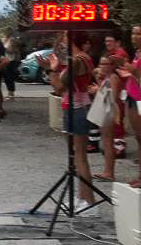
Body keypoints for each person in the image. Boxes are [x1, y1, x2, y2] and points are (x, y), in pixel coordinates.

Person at [36, 31, 95, 212]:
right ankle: (81, 197)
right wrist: (52, 66)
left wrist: (52, 69)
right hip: (72, 105)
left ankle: (89, 201)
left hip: (78, 107)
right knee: (75, 156)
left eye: (64, 37)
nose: (61, 41)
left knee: (79, 156)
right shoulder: (77, 59)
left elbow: (59, 86)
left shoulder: (78, 60)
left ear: (71, 39)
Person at [88, 57, 122, 181]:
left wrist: (97, 90)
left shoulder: (113, 78)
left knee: (108, 143)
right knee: (105, 142)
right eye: (101, 63)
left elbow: (113, 97)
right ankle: (106, 171)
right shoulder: (106, 78)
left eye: (105, 64)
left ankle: (109, 172)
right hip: (104, 111)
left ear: (112, 65)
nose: (102, 66)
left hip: (109, 112)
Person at [122, 26, 141, 187]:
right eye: (133, 33)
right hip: (132, 95)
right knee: (138, 137)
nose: (134, 36)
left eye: (138, 33)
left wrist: (133, 71)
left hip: (139, 99)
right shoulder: (137, 53)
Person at [2, 31, 21, 101]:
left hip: (11, 61)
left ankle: (11, 95)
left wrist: (4, 49)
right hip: (5, 61)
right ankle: (9, 94)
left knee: (10, 78)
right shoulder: (4, 40)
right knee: (6, 78)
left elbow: (11, 50)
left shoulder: (12, 40)